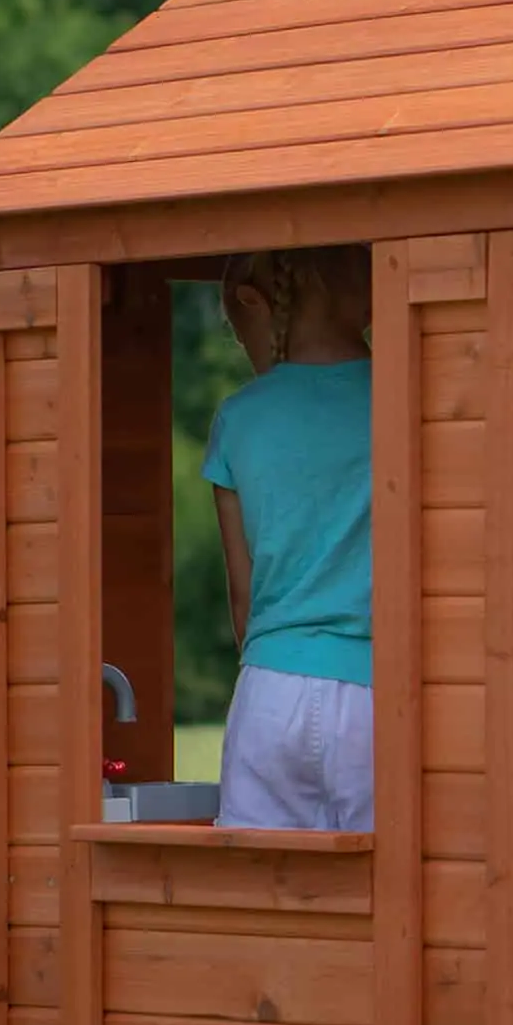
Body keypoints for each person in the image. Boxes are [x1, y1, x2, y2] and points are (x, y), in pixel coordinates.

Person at [205, 246, 375, 831]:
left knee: (259, 899)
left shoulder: (238, 418)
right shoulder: (408, 395)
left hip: (268, 692)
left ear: (254, 301)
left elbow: (243, 596)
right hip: (380, 694)